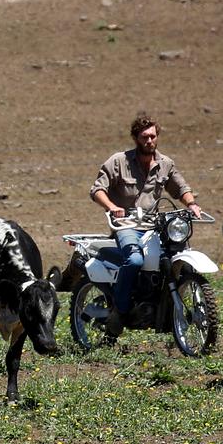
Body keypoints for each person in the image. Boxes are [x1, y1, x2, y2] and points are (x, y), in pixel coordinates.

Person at [89, 112, 202, 336]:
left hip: (155, 226)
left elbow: (181, 188)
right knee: (134, 259)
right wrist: (112, 207)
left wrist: (192, 205)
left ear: (157, 136)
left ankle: (167, 307)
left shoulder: (165, 164)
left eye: (152, 136)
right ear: (135, 138)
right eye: (144, 137)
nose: (149, 141)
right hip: (127, 225)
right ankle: (119, 312)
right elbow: (97, 189)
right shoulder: (119, 162)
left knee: (177, 254)